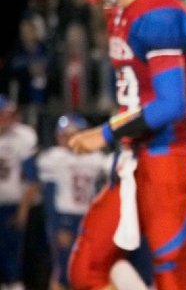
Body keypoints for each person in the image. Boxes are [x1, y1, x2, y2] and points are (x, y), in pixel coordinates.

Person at [66, 0, 186, 290]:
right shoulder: (124, 11)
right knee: (86, 269)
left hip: (169, 155)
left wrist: (104, 133)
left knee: (173, 276)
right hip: (136, 155)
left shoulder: (157, 12)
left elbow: (171, 104)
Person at [27, 114, 110, 290]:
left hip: (88, 217)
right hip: (65, 217)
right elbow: (48, 196)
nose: (69, 139)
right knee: (63, 269)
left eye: (74, 134)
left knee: (85, 268)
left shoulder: (97, 159)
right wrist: (56, 226)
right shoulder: (54, 158)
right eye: (65, 135)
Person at [0, 95, 38, 290]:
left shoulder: (22, 136)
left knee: (13, 258)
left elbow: (32, 178)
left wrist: (23, 210)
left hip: (11, 204)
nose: (6, 118)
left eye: (8, 114)